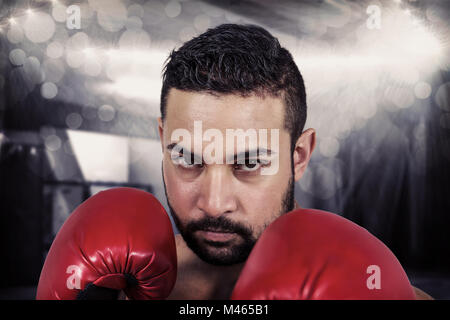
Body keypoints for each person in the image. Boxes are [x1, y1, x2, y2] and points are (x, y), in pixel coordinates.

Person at [36, 23, 432, 300]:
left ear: (299, 156)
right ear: (162, 142)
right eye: (188, 158)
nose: (213, 201)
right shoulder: (112, 287)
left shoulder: (375, 291)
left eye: (250, 163)